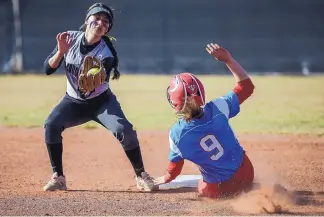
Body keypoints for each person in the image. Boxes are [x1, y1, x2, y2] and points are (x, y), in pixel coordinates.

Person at [42, 2, 155, 191]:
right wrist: (61, 51)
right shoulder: (69, 39)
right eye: (97, 18)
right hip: (73, 102)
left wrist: (91, 81)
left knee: (124, 129)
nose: (100, 23)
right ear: (87, 20)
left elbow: (88, 90)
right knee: (51, 125)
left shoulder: (106, 53)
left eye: (106, 22)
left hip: (101, 103)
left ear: (107, 29)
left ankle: (141, 175)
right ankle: (58, 177)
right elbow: (47, 69)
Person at [153, 43, 255, 198]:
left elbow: (174, 169)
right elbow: (246, 87)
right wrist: (229, 60)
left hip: (224, 188)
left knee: (203, 188)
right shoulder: (218, 107)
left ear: (175, 103)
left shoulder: (177, 133)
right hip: (247, 172)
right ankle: (249, 188)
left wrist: (166, 178)